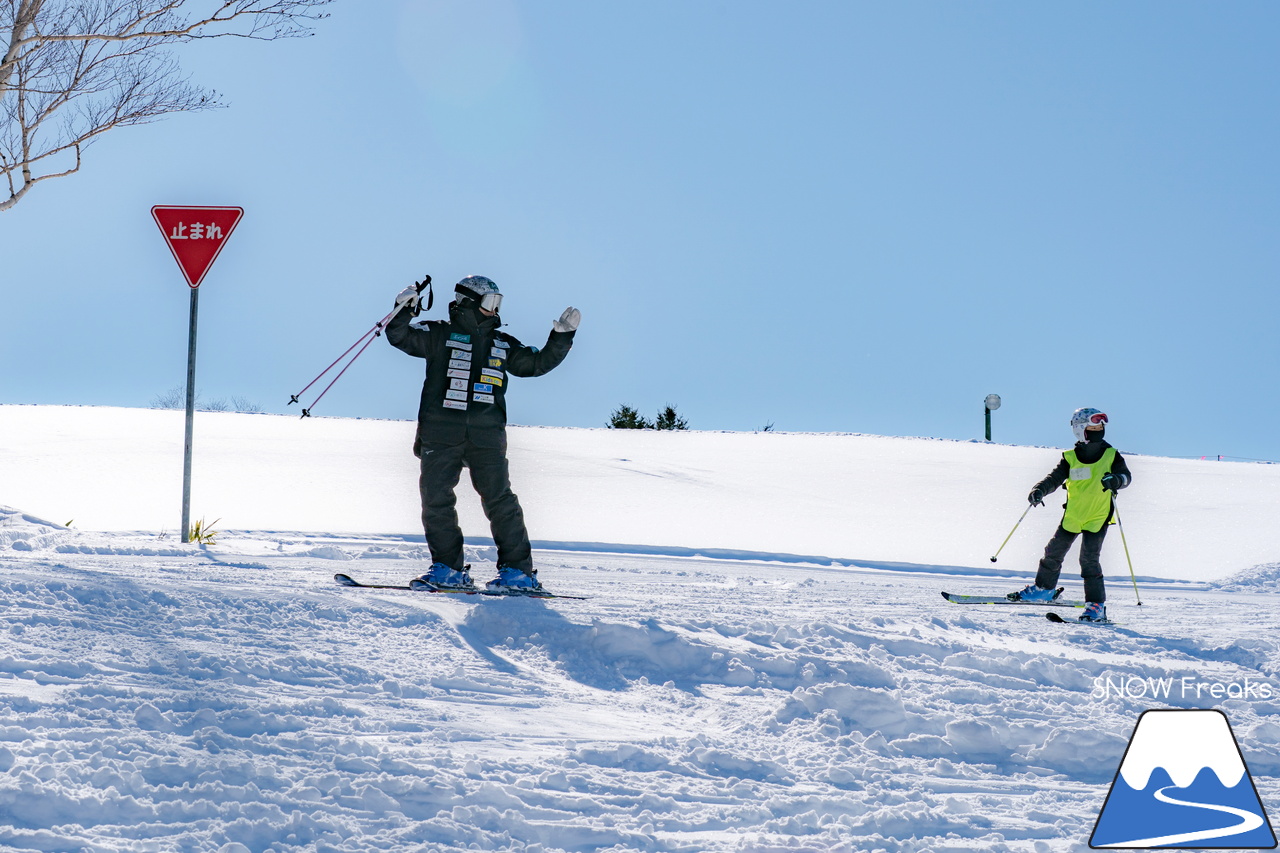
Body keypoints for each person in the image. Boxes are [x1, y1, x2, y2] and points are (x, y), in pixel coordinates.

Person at [386, 275, 579, 592]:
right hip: (440, 434)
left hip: (486, 438)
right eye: (490, 302)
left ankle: (519, 573)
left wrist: (561, 338)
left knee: (500, 501)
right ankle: (448, 570)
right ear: (468, 302)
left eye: (498, 302)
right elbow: (400, 336)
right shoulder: (438, 335)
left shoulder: (502, 344)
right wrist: (403, 309)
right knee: (436, 500)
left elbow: (535, 364)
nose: (495, 309)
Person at [1008, 407, 1132, 622]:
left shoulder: (1111, 455)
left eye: (1100, 426)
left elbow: (1126, 477)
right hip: (1073, 515)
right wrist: (1039, 490)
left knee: (1089, 560)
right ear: (1080, 430)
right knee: (1053, 552)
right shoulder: (1070, 458)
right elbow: (1054, 478)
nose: (1098, 430)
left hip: (1098, 516)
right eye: (1093, 427)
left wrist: (1117, 480)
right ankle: (1044, 589)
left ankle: (1096, 606)